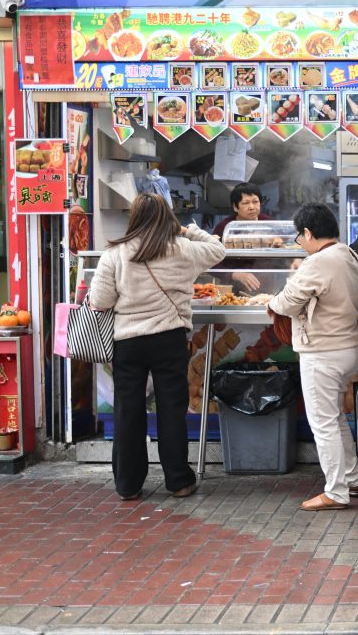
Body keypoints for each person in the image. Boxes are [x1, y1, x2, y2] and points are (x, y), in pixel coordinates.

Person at [87, 194, 225, 500]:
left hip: (129, 341)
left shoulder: (116, 253)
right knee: (172, 410)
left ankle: (128, 484)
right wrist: (188, 231)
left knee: (128, 412)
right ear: (168, 218)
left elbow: (99, 301)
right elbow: (218, 248)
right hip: (170, 338)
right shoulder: (182, 249)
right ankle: (178, 481)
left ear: (133, 217)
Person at [267, 204, 358, 511]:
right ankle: (352, 478)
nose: (301, 243)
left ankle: (336, 492)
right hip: (348, 347)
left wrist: (271, 301)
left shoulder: (318, 262)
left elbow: (287, 301)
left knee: (323, 423)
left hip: (324, 352)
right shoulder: (347, 254)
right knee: (335, 418)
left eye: (300, 237)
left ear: (308, 233)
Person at [212, 182, 270, 293]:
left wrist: (295, 260)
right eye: (246, 203)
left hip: (267, 288)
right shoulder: (224, 227)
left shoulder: (269, 223)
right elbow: (210, 260)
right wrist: (234, 274)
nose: (252, 207)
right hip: (232, 290)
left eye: (255, 202)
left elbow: (286, 245)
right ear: (235, 207)